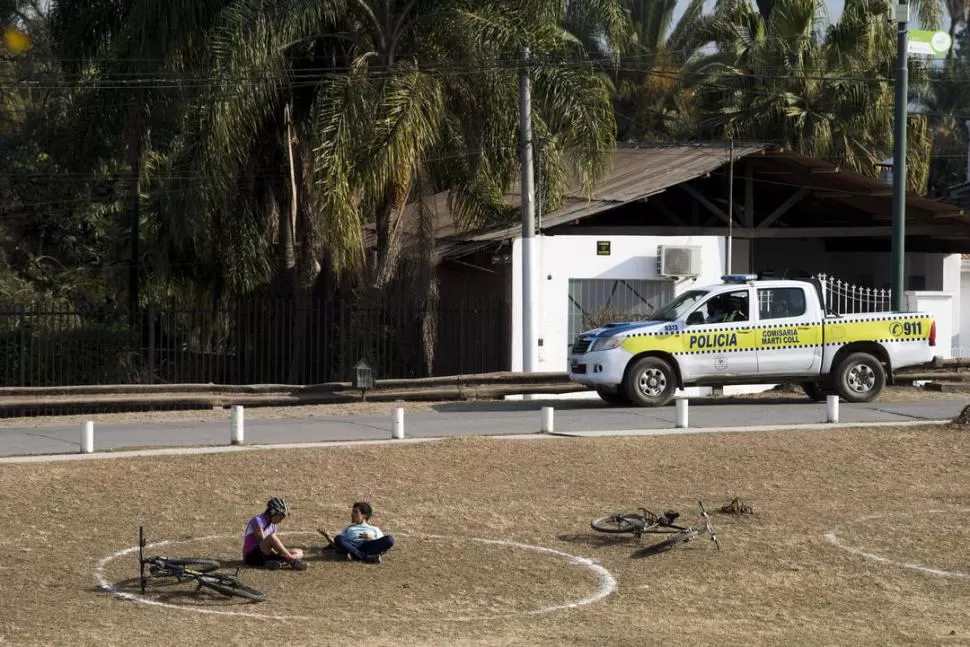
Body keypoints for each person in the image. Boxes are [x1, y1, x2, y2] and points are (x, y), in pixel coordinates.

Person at [243, 496, 307, 570]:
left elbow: (272, 547)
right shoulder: (257, 520)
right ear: (272, 512)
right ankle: (290, 560)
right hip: (252, 557)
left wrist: (282, 554)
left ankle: (274, 562)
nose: (281, 521)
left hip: (266, 554)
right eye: (280, 517)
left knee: (299, 551)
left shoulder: (273, 526)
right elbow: (262, 541)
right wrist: (283, 555)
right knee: (272, 537)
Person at [323, 502, 394, 564]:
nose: (352, 514)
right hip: (353, 546)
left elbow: (382, 547)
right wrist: (327, 536)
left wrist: (371, 538)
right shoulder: (349, 528)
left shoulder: (374, 529)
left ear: (364, 515)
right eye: (352, 511)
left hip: (369, 546)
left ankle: (355, 556)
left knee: (390, 539)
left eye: (355, 512)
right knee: (338, 538)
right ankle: (366, 557)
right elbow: (338, 547)